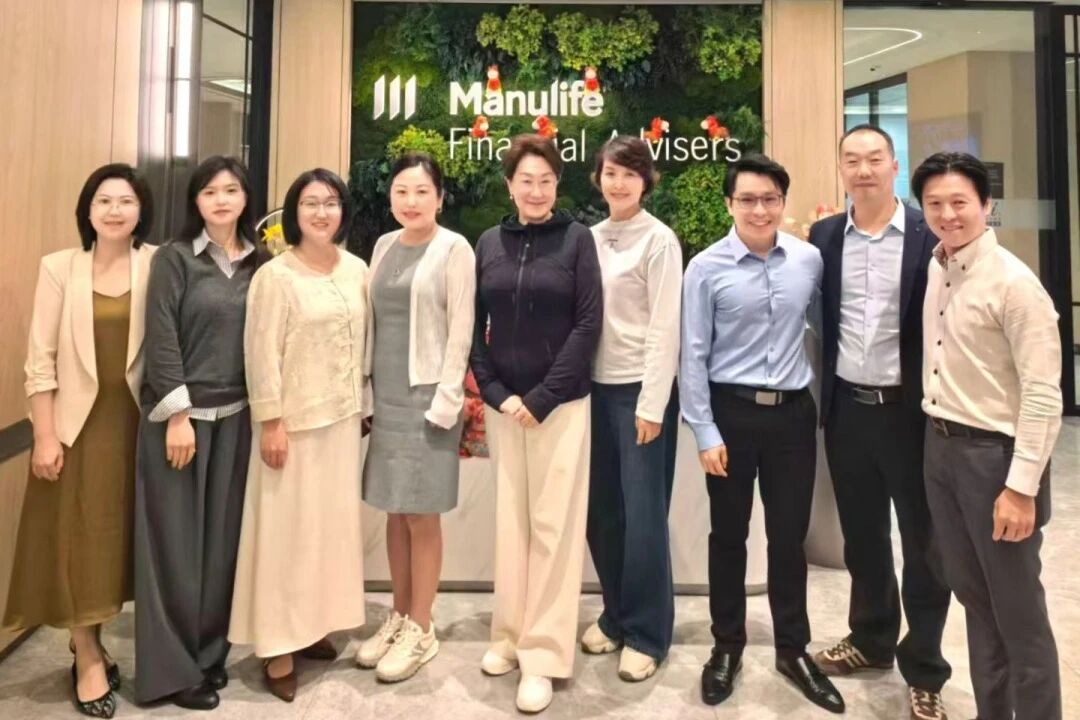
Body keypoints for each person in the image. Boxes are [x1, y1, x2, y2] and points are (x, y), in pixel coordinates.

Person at [680, 154, 843, 714]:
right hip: (731, 414)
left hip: (792, 417)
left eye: (769, 199)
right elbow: (693, 353)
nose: (759, 209)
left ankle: (792, 649)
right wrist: (704, 430)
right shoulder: (705, 268)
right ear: (729, 203)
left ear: (782, 202)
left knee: (788, 538)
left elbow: (822, 327)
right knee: (728, 536)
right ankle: (726, 646)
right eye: (747, 199)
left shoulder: (808, 260)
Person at [809, 125, 952, 720]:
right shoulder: (823, 236)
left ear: (894, 166)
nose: (863, 170)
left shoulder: (929, 234)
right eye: (852, 160)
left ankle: (925, 667)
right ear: (841, 169)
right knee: (863, 537)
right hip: (848, 411)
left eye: (874, 159)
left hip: (912, 414)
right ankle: (870, 639)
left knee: (924, 544)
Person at [4, 164, 155, 719]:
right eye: (103, 200)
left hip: (139, 426)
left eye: (126, 200)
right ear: (87, 211)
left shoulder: (157, 262)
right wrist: (45, 435)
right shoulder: (60, 267)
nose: (115, 210)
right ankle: (86, 651)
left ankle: (94, 638)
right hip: (77, 428)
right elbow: (40, 360)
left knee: (116, 542)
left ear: (141, 210)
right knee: (78, 541)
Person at [915, 151, 1062, 720]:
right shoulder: (939, 266)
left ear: (986, 204)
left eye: (960, 202)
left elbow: (1043, 394)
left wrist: (1021, 487)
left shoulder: (1015, 285)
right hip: (941, 450)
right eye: (934, 203)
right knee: (975, 601)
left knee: (1018, 614)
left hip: (994, 461)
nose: (947, 214)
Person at [470, 134, 602, 713]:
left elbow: (588, 324)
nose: (536, 190)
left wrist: (543, 398)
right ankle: (508, 635)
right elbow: (473, 328)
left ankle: (543, 654)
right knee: (511, 525)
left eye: (545, 180)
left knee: (553, 529)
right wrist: (496, 393)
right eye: (526, 180)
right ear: (509, 185)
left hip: (561, 407)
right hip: (506, 408)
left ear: (557, 185)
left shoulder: (577, 241)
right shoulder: (488, 243)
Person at [228, 168, 369, 702]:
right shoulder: (276, 276)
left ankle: (312, 627)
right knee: (284, 537)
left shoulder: (356, 269)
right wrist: (271, 422)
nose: (321, 212)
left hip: (341, 422)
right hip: (291, 426)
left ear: (343, 211)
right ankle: (277, 645)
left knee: (326, 535)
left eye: (331, 202)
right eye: (310, 203)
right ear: (294, 212)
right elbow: (260, 353)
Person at [134, 156, 262, 710]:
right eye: (209, 192)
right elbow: (161, 337)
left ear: (245, 198)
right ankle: (170, 671)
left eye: (231, 190)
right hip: (179, 424)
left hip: (237, 420)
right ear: (195, 201)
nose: (221, 200)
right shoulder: (174, 258)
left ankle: (208, 656)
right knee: (174, 550)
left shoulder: (260, 264)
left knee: (221, 548)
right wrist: (177, 415)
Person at [355, 153, 475, 682]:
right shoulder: (384, 245)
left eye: (422, 191)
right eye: (401, 191)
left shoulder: (454, 248)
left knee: (422, 513)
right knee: (394, 509)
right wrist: (366, 391)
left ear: (440, 198)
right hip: (386, 397)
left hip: (428, 397)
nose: (411, 201)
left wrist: (448, 399)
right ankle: (399, 616)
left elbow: (462, 329)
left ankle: (422, 628)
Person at [582, 135, 681, 682]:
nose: (619, 183)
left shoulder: (659, 240)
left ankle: (647, 632)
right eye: (610, 173)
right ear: (598, 178)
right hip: (590, 393)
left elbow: (665, 326)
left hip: (640, 394)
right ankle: (615, 614)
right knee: (602, 514)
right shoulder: (589, 238)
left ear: (646, 181)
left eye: (630, 173)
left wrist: (652, 404)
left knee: (644, 517)